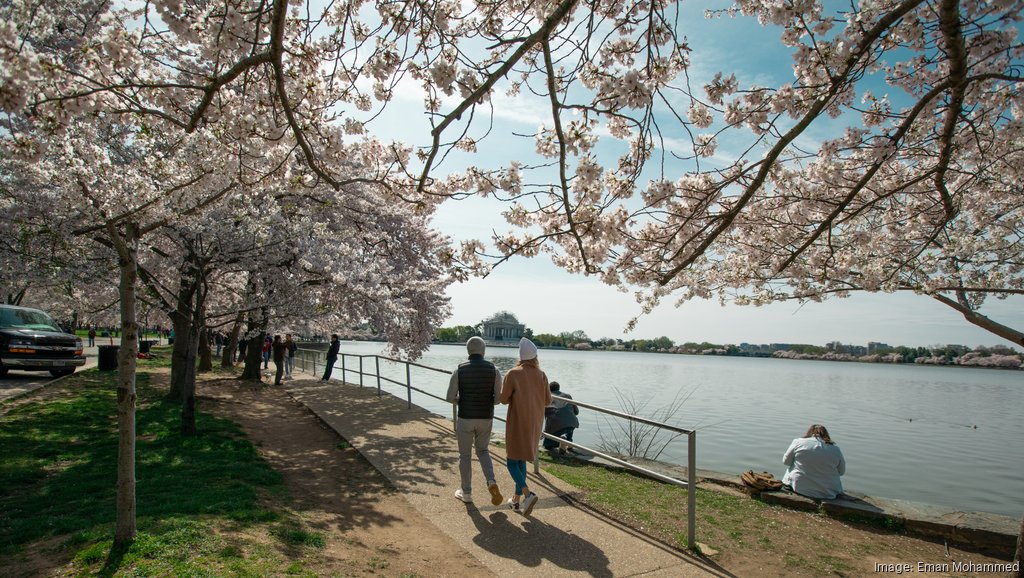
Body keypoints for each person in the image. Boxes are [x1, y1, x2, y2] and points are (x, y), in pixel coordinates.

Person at [446, 336, 504, 506]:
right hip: (486, 417)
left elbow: (449, 397)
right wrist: (486, 401)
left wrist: (461, 401)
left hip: (465, 417)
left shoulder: (459, 370)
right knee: (483, 451)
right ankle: (491, 481)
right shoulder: (494, 370)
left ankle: (467, 493)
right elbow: (498, 399)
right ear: (483, 351)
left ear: (468, 351)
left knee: (464, 455)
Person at [499, 337, 551, 516]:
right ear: (535, 357)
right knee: (520, 460)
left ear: (520, 356)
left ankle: (528, 494)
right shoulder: (541, 374)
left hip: (518, 421)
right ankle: (516, 500)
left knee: (512, 460)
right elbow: (547, 400)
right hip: (535, 422)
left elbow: (503, 399)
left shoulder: (513, 373)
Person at [782, 424, 846, 500]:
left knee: (792, 469)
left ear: (808, 433)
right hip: (828, 492)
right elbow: (841, 472)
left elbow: (786, 462)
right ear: (826, 435)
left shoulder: (798, 442)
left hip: (799, 487)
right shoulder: (835, 448)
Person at [542, 381, 579, 454]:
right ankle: (568, 442)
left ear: (549, 389)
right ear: (559, 388)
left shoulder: (547, 398)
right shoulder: (568, 396)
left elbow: (541, 416)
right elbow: (576, 412)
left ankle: (561, 441)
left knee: (547, 446)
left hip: (557, 426)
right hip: (572, 424)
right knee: (568, 420)